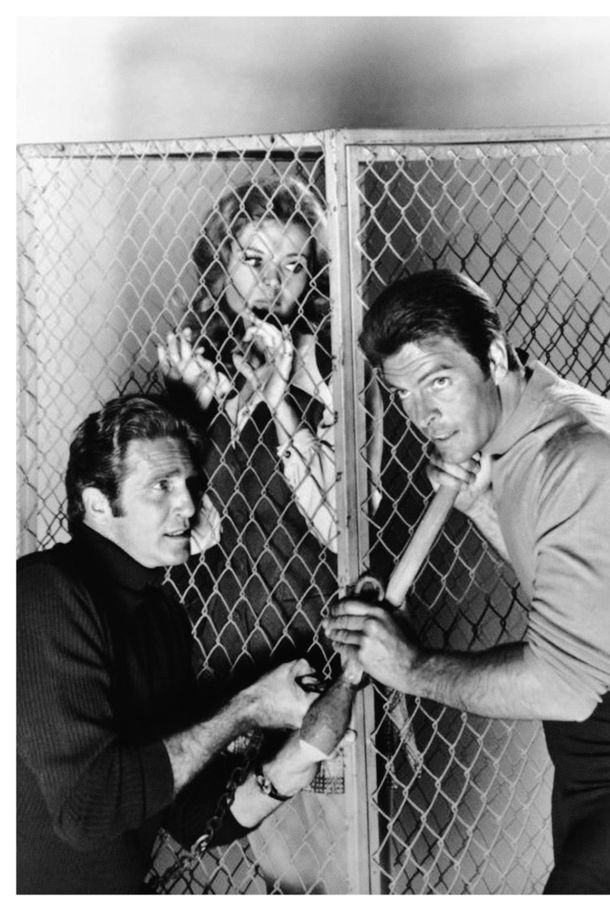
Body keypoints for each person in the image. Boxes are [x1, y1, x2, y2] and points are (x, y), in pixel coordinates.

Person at [324, 269, 610, 894]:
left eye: (440, 382)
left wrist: (412, 667)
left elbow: (563, 684)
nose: (423, 414)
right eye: (403, 394)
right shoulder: (532, 430)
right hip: (604, 757)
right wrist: (482, 507)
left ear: (496, 357)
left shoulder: (580, 459)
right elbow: (584, 599)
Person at [157, 177, 378, 893]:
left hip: (314, 661)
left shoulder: (336, 370)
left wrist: (284, 403)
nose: (269, 284)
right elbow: (180, 538)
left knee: (338, 866)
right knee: (269, 863)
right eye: (252, 260)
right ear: (220, 266)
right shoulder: (195, 372)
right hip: (222, 666)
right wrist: (188, 411)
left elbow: (340, 523)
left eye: (291, 266)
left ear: (311, 279)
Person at [17, 395, 326, 894]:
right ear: (98, 503)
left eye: (189, 484)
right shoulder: (42, 595)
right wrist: (247, 709)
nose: (187, 504)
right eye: (161, 486)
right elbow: (88, 808)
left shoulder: (161, 616)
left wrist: (298, 757)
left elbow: (188, 815)